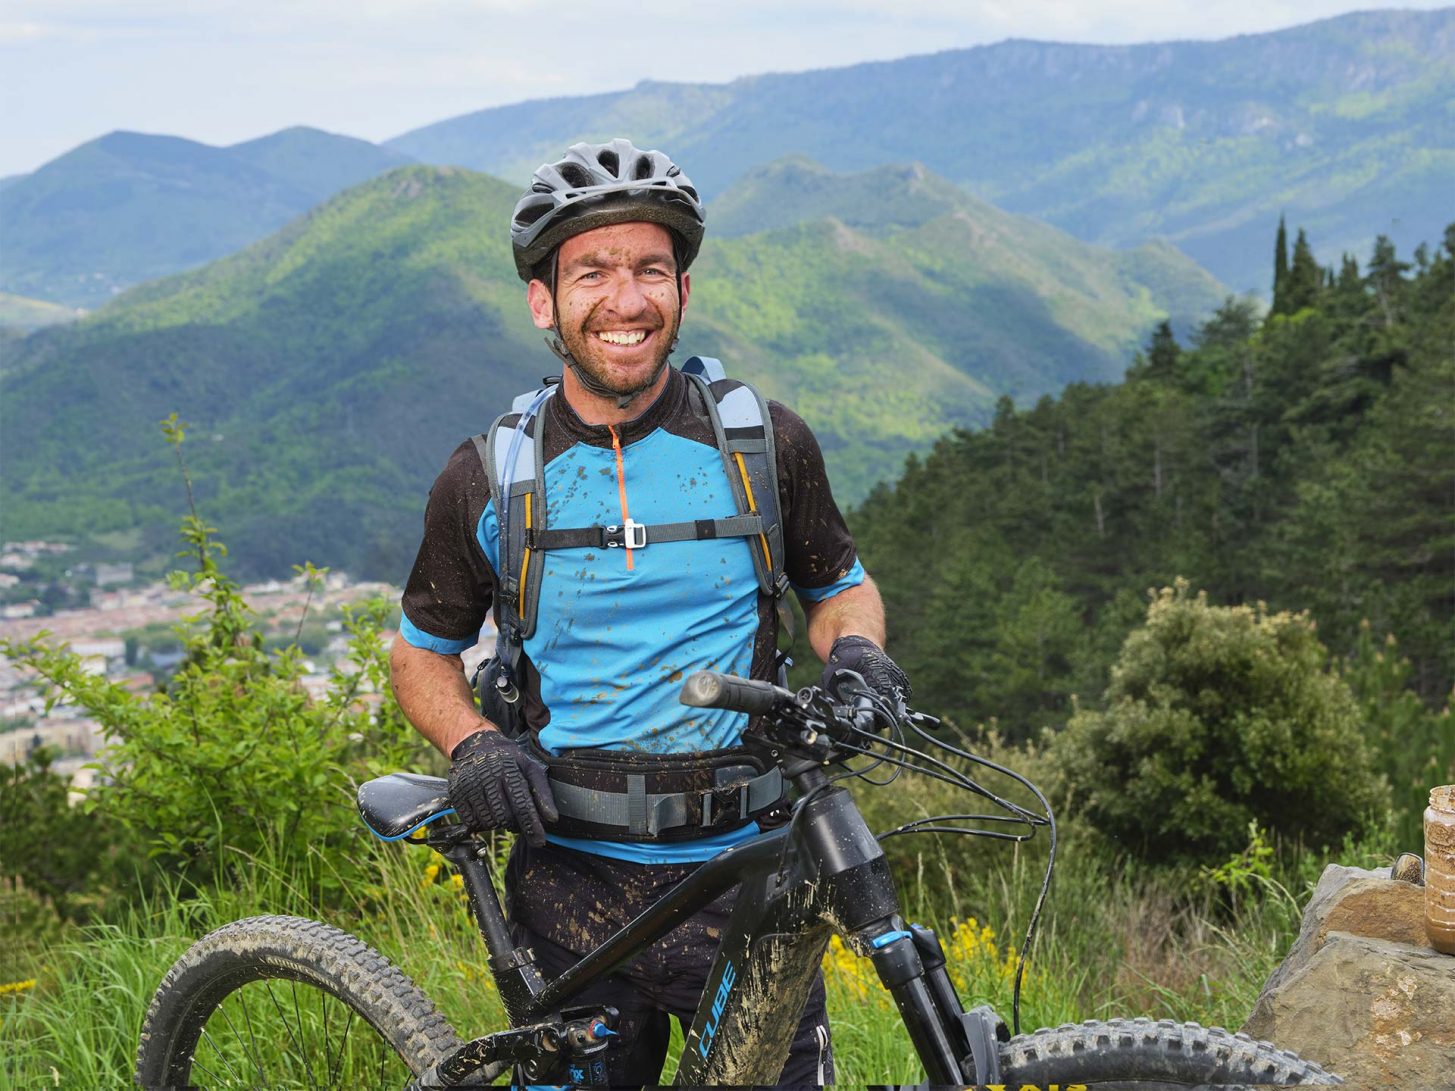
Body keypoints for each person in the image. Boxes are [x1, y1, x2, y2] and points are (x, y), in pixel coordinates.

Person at [390, 138, 910, 1087]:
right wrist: (474, 745)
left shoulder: (762, 441)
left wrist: (860, 653)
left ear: (681, 291)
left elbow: (836, 587)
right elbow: (422, 653)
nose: (626, 301)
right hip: (568, 886)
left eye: (650, 270)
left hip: (750, 880)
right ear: (543, 300)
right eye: (592, 271)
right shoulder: (488, 475)